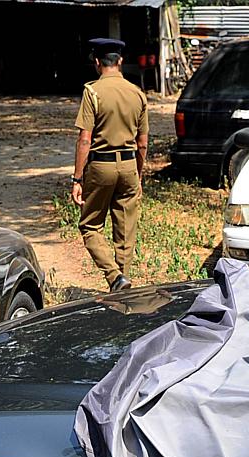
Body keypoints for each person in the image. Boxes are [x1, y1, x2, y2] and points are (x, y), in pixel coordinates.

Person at [71, 37, 149, 292]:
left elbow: (85, 139)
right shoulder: (138, 94)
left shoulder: (92, 92)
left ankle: (115, 278)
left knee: (90, 225)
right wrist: (138, 174)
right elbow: (143, 143)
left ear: (97, 63)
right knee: (125, 229)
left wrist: (77, 178)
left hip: (101, 167)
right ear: (121, 62)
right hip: (128, 166)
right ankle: (122, 283)